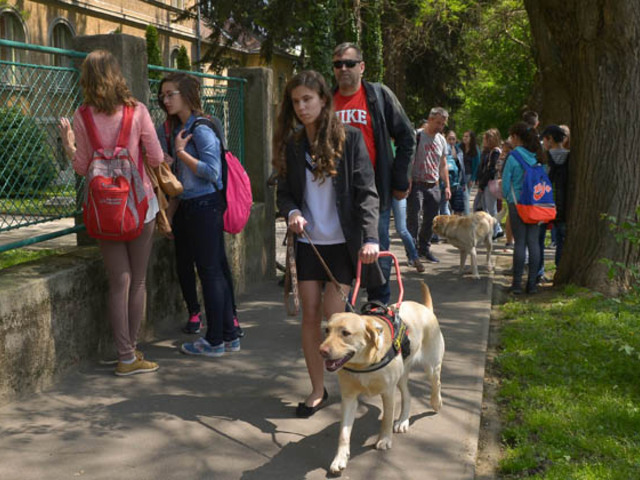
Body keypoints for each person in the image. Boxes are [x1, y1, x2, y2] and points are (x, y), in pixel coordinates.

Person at [273, 70, 380, 417]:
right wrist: (291, 212)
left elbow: (367, 193)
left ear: (323, 100)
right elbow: (285, 191)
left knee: (338, 320)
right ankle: (318, 391)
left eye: (308, 99)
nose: (302, 107)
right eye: (296, 101)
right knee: (310, 317)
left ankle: (352, 384)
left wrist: (372, 238)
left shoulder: (349, 139)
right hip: (308, 244)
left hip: (342, 247)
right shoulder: (293, 144)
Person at [58, 50, 164, 376]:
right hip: (139, 205)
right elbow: (157, 158)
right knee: (139, 280)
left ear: (87, 80)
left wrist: (68, 142)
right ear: (117, 74)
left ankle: (125, 353)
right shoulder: (138, 111)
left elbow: (80, 166)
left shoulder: (82, 115)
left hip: (104, 210)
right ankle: (130, 356)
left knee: (119, 281)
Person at [156, 72, 239, 358]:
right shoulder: (181, 126)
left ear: (187, 95)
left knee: (211, 273)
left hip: (205, 205)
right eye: (163, 95)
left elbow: (212, 172)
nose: (165, 100)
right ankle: (228, 335)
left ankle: (215, 340)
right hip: (195, 205)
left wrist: (181, 153)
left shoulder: (200, 128)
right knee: (213, 270)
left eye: (171, 94)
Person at [332, 42, 415, 304]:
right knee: (341, 251)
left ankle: (379, 305)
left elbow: (406, 136)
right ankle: (344, 310)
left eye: (350, 63)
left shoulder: (378, 96)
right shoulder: (326, 100)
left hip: (374, 189)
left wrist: (400, 179)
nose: (343, 69)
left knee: (375, 247)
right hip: (335, 193)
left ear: (362, 67)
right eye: (338, 64)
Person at [502, 122, 542, 294]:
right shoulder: (538, 156)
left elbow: (505, 184)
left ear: (516, 137)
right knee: (533, 243)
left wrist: (509, 197)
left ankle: (517, 284)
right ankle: (532, 283)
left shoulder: (513, 157)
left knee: (520, 243)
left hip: (517, 203)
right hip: (535, 204)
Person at [406, 107, 451, 263]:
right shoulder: (417, 135)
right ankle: (412, 253)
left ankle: (424, 249)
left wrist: (447, 186)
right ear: (430, 119)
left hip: (434, 185)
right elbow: (408, 159)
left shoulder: (441, 140)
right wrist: (408, 179)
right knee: (413, 219)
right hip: (417, 183)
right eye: (438, 123)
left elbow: (443, 164)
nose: (440, 127)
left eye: (443, 124)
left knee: (430, 220)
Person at [542, 125, 570, 268]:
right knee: (562, 241)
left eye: (544, 140)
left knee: (540, 239)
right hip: (566, 205)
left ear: (550, 139)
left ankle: (539, 273)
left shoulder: (545, 159)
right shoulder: (571, 157)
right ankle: (560, 268)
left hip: (546, 206)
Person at [477, 128, 504, 238]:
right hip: (486, 182)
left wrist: (482, 184)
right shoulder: (487, 151)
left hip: (490, 183)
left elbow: (491, 169)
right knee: (485, 207)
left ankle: (496, 230)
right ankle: (494, 229)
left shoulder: (495, 152)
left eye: (485, 139)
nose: (484, 141)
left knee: (490, 208)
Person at [445, 130, 466, 215]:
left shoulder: (459, 151)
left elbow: (462, 168)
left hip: (458, 184)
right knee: (446, 209)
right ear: (446, 139)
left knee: (458, 208)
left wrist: (463, 183)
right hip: (446, 183)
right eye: (449, 139)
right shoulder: (443, 150)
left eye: (453, 139)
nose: (451, 141)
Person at [461, 130, 480, 214]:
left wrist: (473, 179)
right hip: (459, 175)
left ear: (471, 138)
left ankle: (467, 216)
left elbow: (477, 165)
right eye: (464, 136)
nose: (464, 138)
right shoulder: (459, 147)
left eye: (467, 136)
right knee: (461, 196)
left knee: (466, 196)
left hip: (468, 175)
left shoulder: (475, 149)